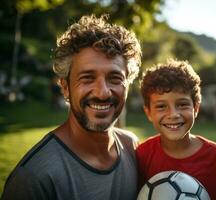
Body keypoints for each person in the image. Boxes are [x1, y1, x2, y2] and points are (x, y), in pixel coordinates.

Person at [2, 14, 142, 200]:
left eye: (115, 78)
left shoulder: (132, 147)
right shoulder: (34, 178)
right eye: (87, 78)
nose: (102, 93)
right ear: (65, 87)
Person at [136, 59, 216, 200]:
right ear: (148, 112)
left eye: (182, 104)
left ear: (196, 108)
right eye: (161, 106)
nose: (173, 115)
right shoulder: (142, 155)